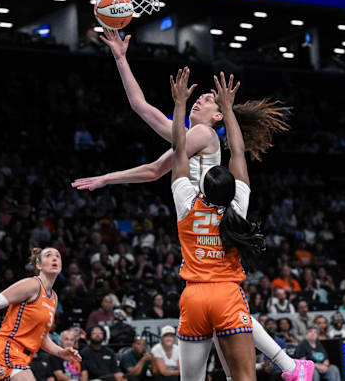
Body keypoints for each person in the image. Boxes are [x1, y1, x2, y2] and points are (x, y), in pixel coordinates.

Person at [79, 31, 309, 381]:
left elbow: (158, 170)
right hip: (220, 220)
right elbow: (141, 108)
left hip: (197, 216)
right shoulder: (195, 135)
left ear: (218, 118)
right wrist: (121, 58)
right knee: (231, 307)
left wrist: (107, 178)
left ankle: (289, 366)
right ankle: (290, 367)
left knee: (221, 312)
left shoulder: (203, 135)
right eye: (200, 98)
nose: (203, 97)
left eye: (210, 101)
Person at [169, 69, 296, 381]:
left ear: (204, 187)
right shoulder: (238, 208)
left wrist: (180, 105)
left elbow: (178, 151)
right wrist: (228, 110)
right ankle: (290, 367)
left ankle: (290, 366)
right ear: (232, 188)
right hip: (227, 295)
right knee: (242, 377)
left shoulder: (186, 201)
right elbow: (238, 151)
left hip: (194, 297)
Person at [0, 247, 81, 381]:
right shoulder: (32, 285)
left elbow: (41, 337)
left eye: (57, 256)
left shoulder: (53, 299)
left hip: (22, 356)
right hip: (6, 351)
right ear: (39, 265)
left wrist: (60, 352)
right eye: (48, 255)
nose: (54, 258)